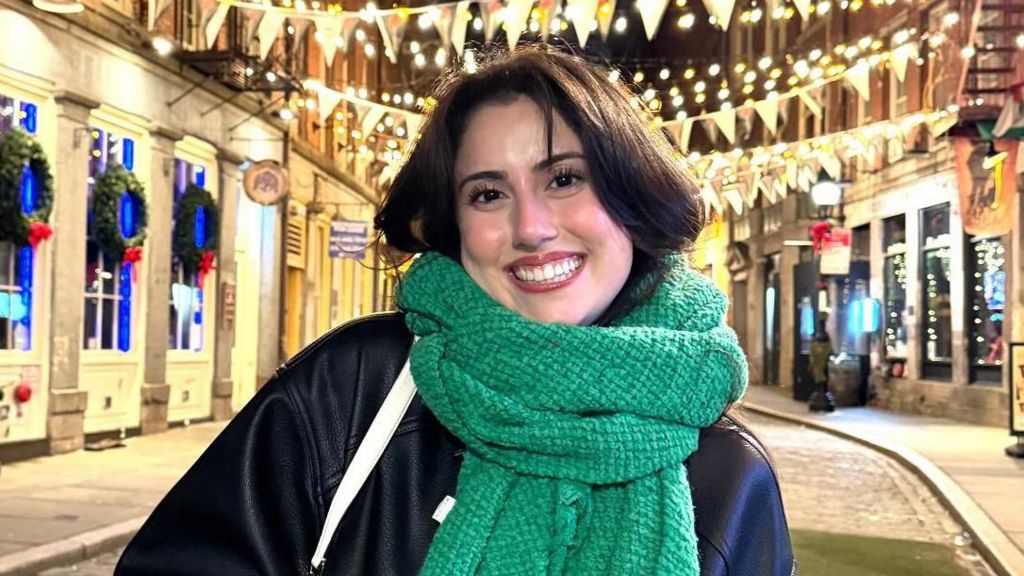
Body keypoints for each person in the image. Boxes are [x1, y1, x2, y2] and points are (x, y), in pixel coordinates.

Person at [115, 46, 794, 575]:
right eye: (487, 194)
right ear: (453, 225)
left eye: (564, 179)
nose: (530, 227)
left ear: (632, 198)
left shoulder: (730, 474)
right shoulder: (350, 394)